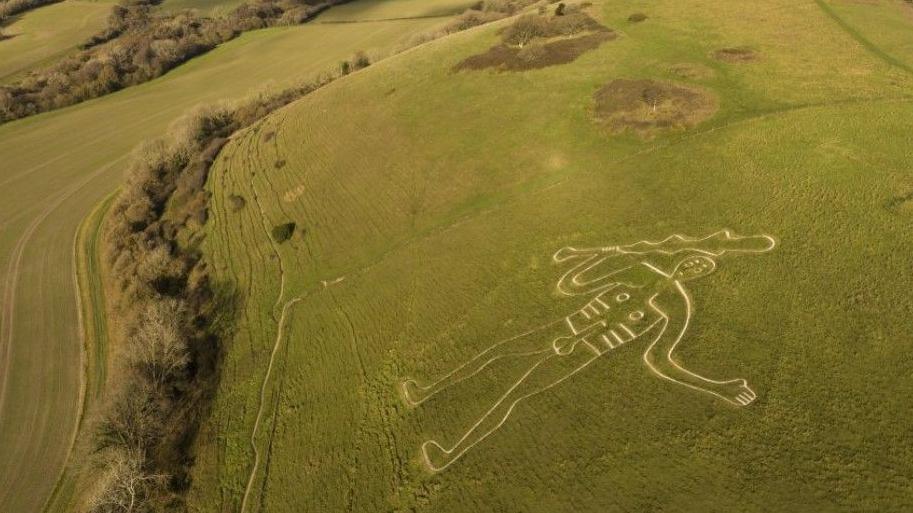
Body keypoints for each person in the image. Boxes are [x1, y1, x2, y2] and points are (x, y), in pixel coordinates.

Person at [401, 230, 776, 471]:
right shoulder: (639, 270)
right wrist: (593, 255)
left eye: (701, 268)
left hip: (587, 351)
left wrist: (718, 386)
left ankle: (449, 453)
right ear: (683, 258)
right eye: (694, 260)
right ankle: (426, 391)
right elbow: (575, 286)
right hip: (565, 328)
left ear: (699, 275)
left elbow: (661, 359)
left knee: (515, 395)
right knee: (496, 353)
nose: (693, 266)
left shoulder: (676, 306)